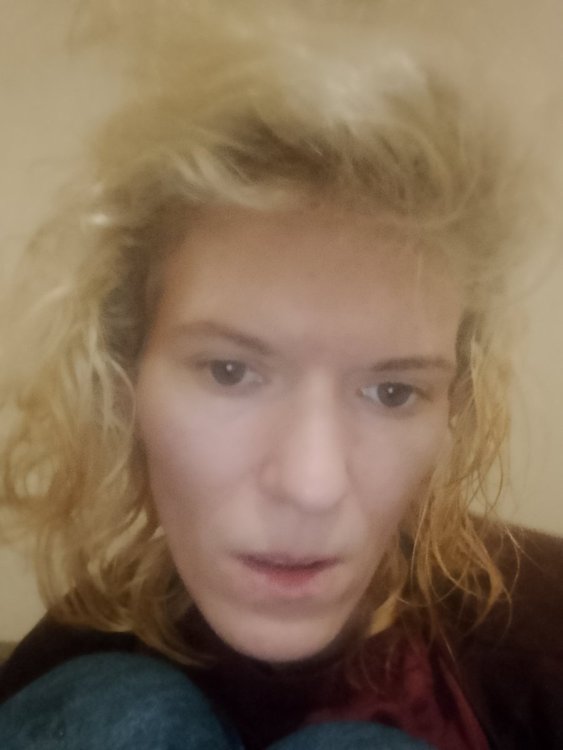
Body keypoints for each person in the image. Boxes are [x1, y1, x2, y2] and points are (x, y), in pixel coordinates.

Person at [0, 1, 562, 748]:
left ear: (451, 406)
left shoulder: (544, 636)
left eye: (393, 392)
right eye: (231, 371)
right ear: (124, 379)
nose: (311, 485)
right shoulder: (58, 685)